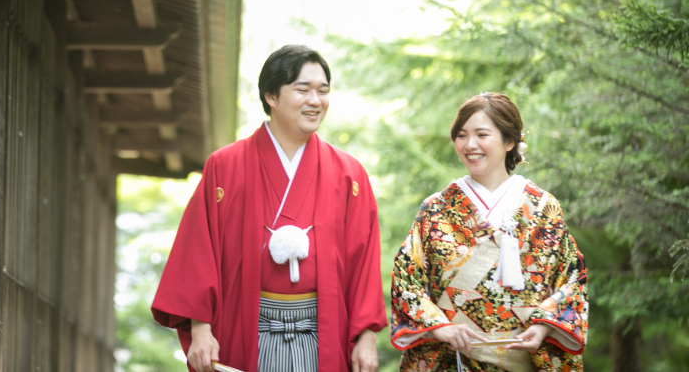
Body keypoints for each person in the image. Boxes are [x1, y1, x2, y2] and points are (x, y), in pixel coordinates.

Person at [152, 45, 387, 372]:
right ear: (271, 97)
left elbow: (363, 261)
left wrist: (366, 336)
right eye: (303, 89)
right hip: (246, 325)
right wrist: (200, 327)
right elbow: (198, 252)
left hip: (322, 332)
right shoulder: (226, 166)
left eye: (323, 91)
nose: (315, 100)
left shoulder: (349, 174)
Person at [390, 93, 588, 372]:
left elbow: (571, 279)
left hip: (523, 358)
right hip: (453, 359)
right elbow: (406, 280)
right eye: (461, 135)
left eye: (481, 134)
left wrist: (544, 326)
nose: (470, 145)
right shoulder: (436, 208)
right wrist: (439, 326)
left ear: (510, 141)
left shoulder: (543, 207)